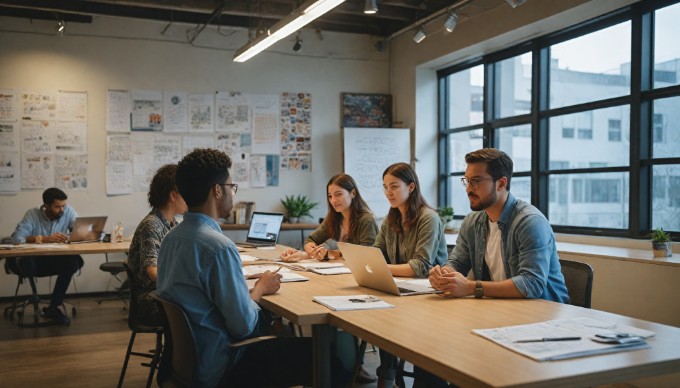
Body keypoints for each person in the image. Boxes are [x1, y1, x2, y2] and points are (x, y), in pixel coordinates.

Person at [156, 148, 350, 388]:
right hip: (225, 364)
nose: (232, 194)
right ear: (217, 191)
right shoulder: (218, 248)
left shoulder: (170, 239)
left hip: (187, 364)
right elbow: (243, 327)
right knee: (328, 360)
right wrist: (259, 289)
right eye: (230, 187)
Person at [429, 148, 569, 301]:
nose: (469, 189)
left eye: (476, 181)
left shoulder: (530, 222)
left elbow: (531, 283)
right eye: (467, 181)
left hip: (544, 313)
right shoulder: (472, 221)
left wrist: (471, 287)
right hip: (501, 307)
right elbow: (458, 262)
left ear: (501, 183)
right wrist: (444, 276)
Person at [280, 173, 379, 384]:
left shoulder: (365, 219)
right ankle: (335, 363)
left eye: (338, 195)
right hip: (339, 278)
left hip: (361, 280)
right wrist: (311, 251)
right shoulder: (334, 217)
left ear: (353, 193)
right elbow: (311, 238)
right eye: (330, 195)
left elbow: (365, 255)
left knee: (333, 313)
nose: (333, 200)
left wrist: (331, 254)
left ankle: (350, 365)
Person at [373, 162, 448, 387]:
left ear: (412, 187)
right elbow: (377, 252)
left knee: (392, 321)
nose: (389, 193)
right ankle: (387, 374)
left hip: (428, 296)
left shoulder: (429, 218)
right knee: (378, 319)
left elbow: (419, 266)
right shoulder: (391, 218)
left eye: (394, 186)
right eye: (385, 187)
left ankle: (396, 377)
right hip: (402, 292)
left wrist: (379, 267)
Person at [10, 187, 84, 325]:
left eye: (63, 205)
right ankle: (38, 301)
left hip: (54, 260)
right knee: (29, 263)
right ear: (46, 206)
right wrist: (44, 239)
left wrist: (72, 237)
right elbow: (16, 238)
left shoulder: (67, 211)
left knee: (74, 262)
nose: (62, 210)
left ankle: (53, 306)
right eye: (57, 207)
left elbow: (81, 231)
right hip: (34, 262)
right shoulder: (32, 213)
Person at [127, 164, 187, 327]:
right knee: (199, 307)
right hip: (150, 299)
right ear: (173, 196)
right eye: (186, 194)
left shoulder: (171, 223)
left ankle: (177, 351)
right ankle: (176, 352)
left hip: (162, 293)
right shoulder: (152, 224)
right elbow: (153, 272)